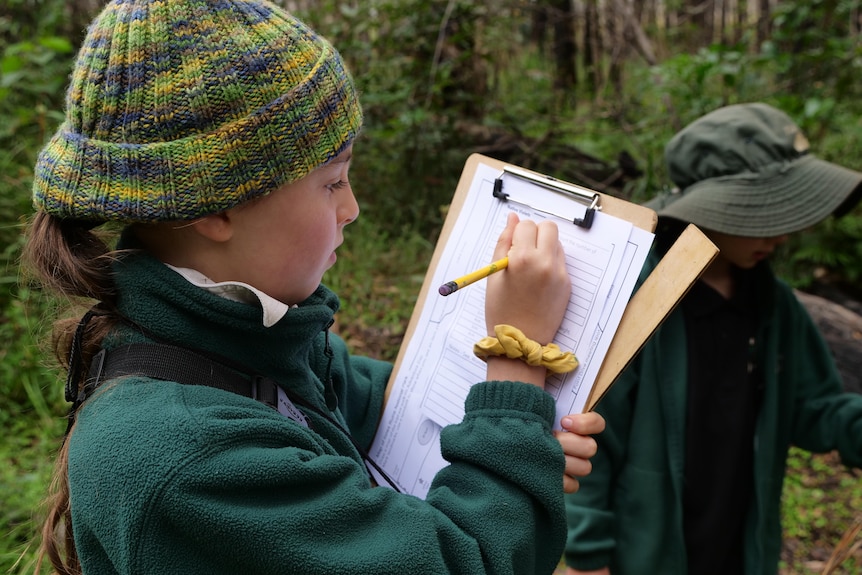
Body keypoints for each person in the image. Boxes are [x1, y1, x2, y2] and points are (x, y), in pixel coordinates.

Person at [23, 1, 606, 573]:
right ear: (217, 207)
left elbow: (390, 411)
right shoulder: (185, 459)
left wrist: (519, 437)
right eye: (332, 182)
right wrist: (514, 355)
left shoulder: (250, 341)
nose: (351, 208)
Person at [563, 102, 862, 575]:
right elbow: (594, 435)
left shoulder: (774, 306)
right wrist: (587, 553)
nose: (782, 234)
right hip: (648, 549)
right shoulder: (641, 300)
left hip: (739, 542)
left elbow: (813, 409)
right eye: (766, 212)